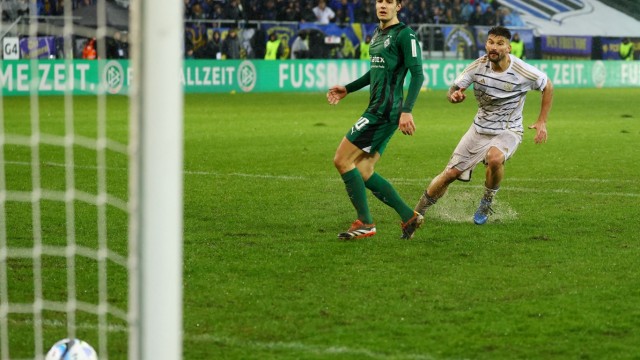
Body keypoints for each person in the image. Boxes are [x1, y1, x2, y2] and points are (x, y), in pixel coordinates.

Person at [406, 26, 553, 238]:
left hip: (508, 129)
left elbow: (547, 85)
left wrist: (542, 121)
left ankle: (486, 202)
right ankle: (415, 214)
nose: (493, 47)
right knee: (450, 174)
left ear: (509, 48)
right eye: (490, 42)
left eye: (499, 43)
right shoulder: (477, 66)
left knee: (495, 159)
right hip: (479, 129)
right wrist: (453, 97)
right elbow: (453, 89)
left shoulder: (522, 71)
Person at [326, 0, 425, 240]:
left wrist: (406, 110)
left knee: (341, 160)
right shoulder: (378, 33)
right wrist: (348, 89)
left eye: (389, 1)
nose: (383, 5)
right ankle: (408, 216)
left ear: (398, 6)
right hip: (379, 109)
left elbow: (418, 74)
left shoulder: (405, 35)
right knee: (363, 169)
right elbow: (375, 70)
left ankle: (366, 223)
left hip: (384, 111)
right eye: (380, 0)